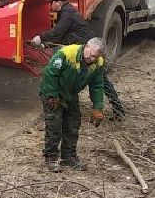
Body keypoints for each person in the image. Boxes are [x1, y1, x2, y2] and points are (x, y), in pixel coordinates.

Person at [30, 0, 125, 119]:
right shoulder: (67, 12)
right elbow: (64, 36)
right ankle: (117, 109)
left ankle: (118, 110)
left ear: (58, 2)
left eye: (51, 3)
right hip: (85, 46)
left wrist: (40, 37)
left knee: (101, 80)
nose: (50, 6)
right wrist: (46, 45)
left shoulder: (67, 13)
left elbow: (58, 32)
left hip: (88, 48)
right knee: (99, 79)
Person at [39, 37, 107, 172]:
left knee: (73, 125)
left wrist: (98, 107)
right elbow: (50, 74)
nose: (92, 59)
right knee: (54, 126)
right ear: (86, 46)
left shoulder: (98, 63)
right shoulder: (65, 54)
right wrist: (52, 95)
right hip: (53, 92)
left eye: (96, 57)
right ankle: (51, 158)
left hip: (70, 94)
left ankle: (68, 157)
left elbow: (97, 85)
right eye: (91, 55)